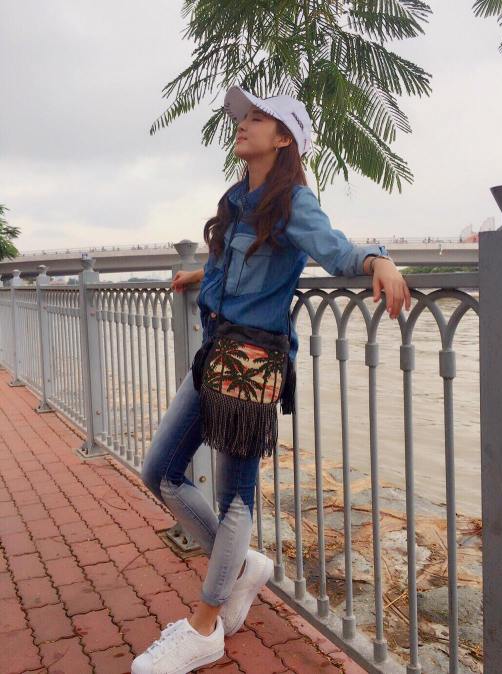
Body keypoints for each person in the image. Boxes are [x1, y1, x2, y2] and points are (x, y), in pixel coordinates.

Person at [133, 85, 411, 674]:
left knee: (235, 496)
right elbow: (228, 263)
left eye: (258, 119)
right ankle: (240, 568)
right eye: (243, 117)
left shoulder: (293, 203)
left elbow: (337, 252)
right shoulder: (236, 199)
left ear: (284, 138)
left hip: (254, 363)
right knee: (160, 472)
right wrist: (198, 274)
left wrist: (380, 259)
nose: (243, 124)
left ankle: (205, 627)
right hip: (214, 353)